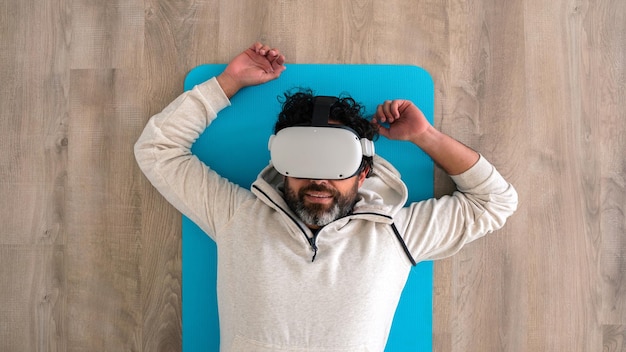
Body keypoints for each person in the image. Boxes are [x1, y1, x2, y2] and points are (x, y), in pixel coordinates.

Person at [135, 42, 518, 352]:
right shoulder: (238, 216)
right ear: (282, 164)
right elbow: (157, 150)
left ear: (364, 171)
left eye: (335, 162)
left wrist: (425, 137)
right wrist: (228, 82)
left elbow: (495, 202)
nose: (319, 179)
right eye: (302, 159)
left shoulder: (398, 232)